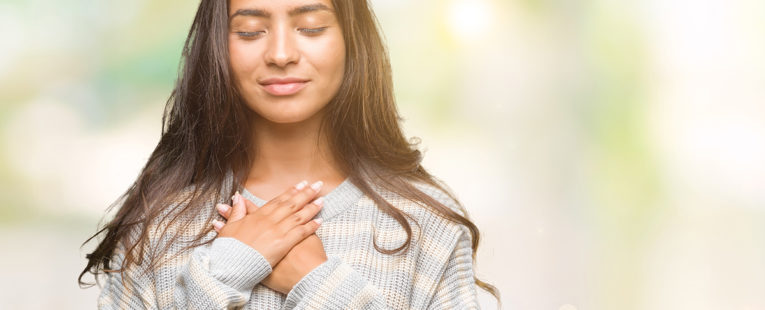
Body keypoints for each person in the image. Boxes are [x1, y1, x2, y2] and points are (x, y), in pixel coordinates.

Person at [79, 0, 499, 308]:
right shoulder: (160, 227)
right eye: (249, 31)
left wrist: (319, 283)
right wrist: (224, 271)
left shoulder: (427, 226)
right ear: (217, 47)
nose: (281, 54)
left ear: (352, 41)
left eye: (311, 27)